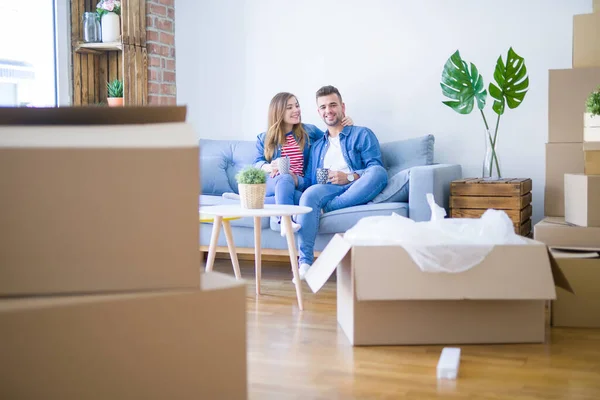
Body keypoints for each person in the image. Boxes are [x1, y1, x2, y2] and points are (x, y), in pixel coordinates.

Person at [223, 92, 353, 234]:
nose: (296, 110)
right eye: (289, 107)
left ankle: (247, 200)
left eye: (297, 106)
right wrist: (268, 166)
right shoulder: (265, 138)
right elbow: (257, 163)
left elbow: (332, 139)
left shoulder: (309, 131)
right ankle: (285, 221)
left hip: (300, 183)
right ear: (279, 112)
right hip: (276, 181)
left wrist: (346, 125)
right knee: (285, 178)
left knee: (303, 199)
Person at [295, 85, 388, 279]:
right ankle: (304, 263)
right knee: (310, 193)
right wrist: (291, 178)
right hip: (327, 188)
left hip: (356, 185)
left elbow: (375, 167)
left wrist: (349, 176)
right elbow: (312, 181)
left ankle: (327, 209)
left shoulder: (362, 134)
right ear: (318, 112)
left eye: (332, 105)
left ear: (342, 107)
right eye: (323, 107)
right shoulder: (317, 145)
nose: (328, 110)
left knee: (379, 173)